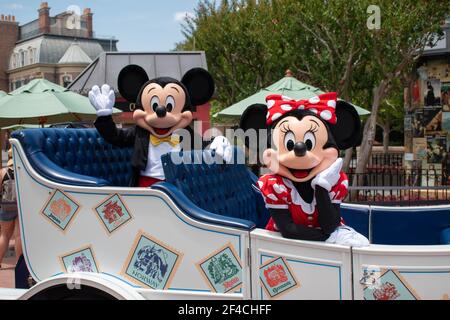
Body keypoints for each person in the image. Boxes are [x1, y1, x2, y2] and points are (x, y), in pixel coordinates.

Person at [0, 148, 21, 268]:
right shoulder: (22, 170)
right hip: (20, 206)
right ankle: (19, 263)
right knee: (18, 235)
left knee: (4, 235)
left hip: (6, 206)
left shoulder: (2, 171)